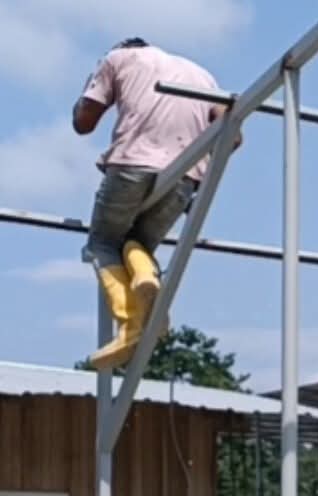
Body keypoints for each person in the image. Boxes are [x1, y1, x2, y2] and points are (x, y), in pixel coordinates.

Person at [71, 38, 234, 372]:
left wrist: (89, 87)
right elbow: (233, 135)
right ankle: (147, 279)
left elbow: (83, 123)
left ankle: (130, 324)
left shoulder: (117, 58)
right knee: (138, 245)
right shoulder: (202, 75)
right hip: (185, 175)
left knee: (103, 243)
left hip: (132, 164)